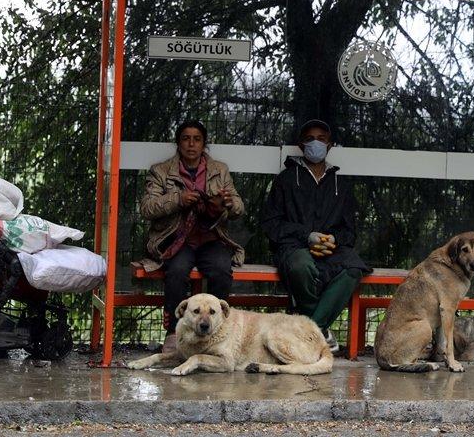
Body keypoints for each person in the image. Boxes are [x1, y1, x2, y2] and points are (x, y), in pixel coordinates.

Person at [262, 119, 370, 352]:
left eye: (322, 139)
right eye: (310, 139)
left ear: (330, 145)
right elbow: (271, 224)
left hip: (330, 250)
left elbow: (349, 231)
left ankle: (311, 331)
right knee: (300, 266)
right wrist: (306, 235)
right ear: (301, 145)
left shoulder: (340, 184)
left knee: (354, 268)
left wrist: (333, 240)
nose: (316, 143)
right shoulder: (286, 179)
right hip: (294, 247)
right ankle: (319, 331)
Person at [139, 120, 244, 350]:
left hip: (211, 238)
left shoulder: (219, 170)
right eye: (186, 138)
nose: (191, 144)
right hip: (176, 240)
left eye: (197, 139)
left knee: (221, 269)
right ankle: (174, 333)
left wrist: (227, 204)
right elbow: (147, 207)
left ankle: (217, 334)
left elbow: (238, 207)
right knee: (177, 271)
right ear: (178, 142)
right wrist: (178, 199)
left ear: (204, 144)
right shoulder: (161, 171)